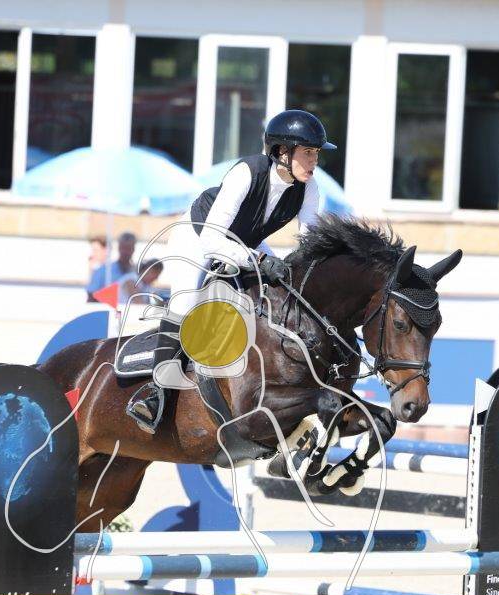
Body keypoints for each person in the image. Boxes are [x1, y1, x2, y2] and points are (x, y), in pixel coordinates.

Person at [125, 109, 334, 433]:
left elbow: (311, 243)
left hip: (246, 241)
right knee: (185, 303)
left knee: (283, 288)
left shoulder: (309, 188)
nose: (314, 161)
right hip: (197, 235)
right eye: (308, 152)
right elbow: (212, 239)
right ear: (282, 151)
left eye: (316, 154)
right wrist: (260, 261)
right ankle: (155, 392)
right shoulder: (246, 173)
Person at [87, 232, 136, 303]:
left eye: (129, 248)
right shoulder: (103, 270)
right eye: (123, 248)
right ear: (118, 248)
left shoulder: (138, 272)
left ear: (133, 249)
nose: (125, 252)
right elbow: (91, 295)